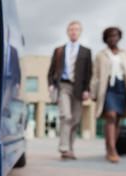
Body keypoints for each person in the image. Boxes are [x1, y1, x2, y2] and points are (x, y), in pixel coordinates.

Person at [90, 27, 126, 163]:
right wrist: (93, 92)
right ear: (105, 39)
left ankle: (111, 147)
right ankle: (111, 149)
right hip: (108, 88)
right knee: (111, 116)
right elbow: (95, 75)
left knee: (117, 119)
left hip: (122, 87)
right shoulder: (100, 55)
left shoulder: (125, 54)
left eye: (115, 36)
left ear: (119, 37)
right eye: (109, 36)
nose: (113, 38)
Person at [47, 21, 92, 160]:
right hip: (63, 86)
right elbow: (51, 70)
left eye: (76, 30)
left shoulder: (86, 51)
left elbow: (89, 73)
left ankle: (70, 148)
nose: (73, 32)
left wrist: (87, 90)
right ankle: (64, 148)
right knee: (66, 116)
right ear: (67, 32)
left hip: (79, 89)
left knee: (75, 119)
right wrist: (51, 84)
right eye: (71, 29)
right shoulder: (59, 50)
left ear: (80, 32)